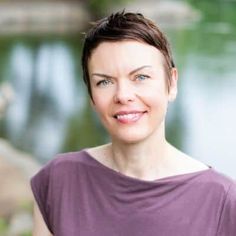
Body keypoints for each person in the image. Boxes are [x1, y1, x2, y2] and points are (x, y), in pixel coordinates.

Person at [31, 11, 236, 236]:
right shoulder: (58, 181)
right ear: (91, 96)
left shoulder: (222, 200)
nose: (123, 95)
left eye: (140, 77)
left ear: (172, 83)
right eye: (104, 82)